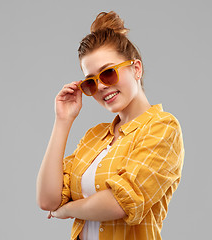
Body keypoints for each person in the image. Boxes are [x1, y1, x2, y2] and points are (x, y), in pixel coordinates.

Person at [36, 11, 185, 240]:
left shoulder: (162, 128)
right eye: (91, 82)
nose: (102, 87)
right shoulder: (94, 136)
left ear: (136, 68)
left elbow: (120, 202)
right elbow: (48, 200)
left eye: (108, 73)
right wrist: (63, 121)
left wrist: (67, 210)